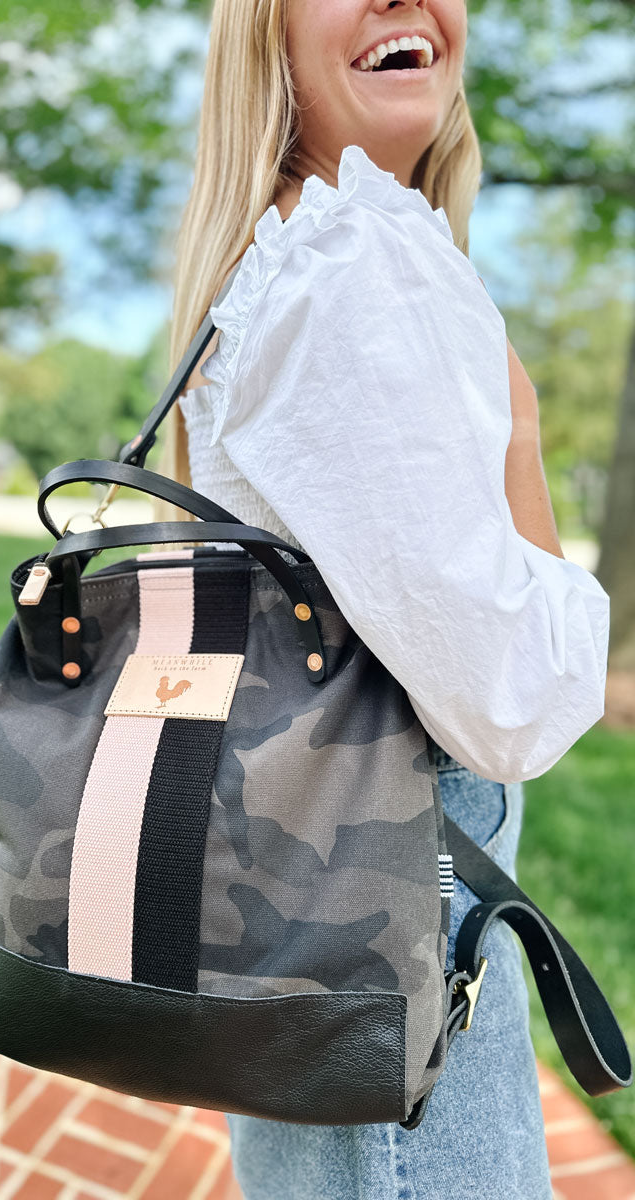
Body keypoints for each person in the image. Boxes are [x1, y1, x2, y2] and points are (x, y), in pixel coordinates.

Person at [156, 0, 610, 1196]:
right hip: (393, 973)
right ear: (263, 31)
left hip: (303, 950)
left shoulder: (275, 256)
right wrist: (518, 435)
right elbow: (507, 704)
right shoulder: (356, 258)